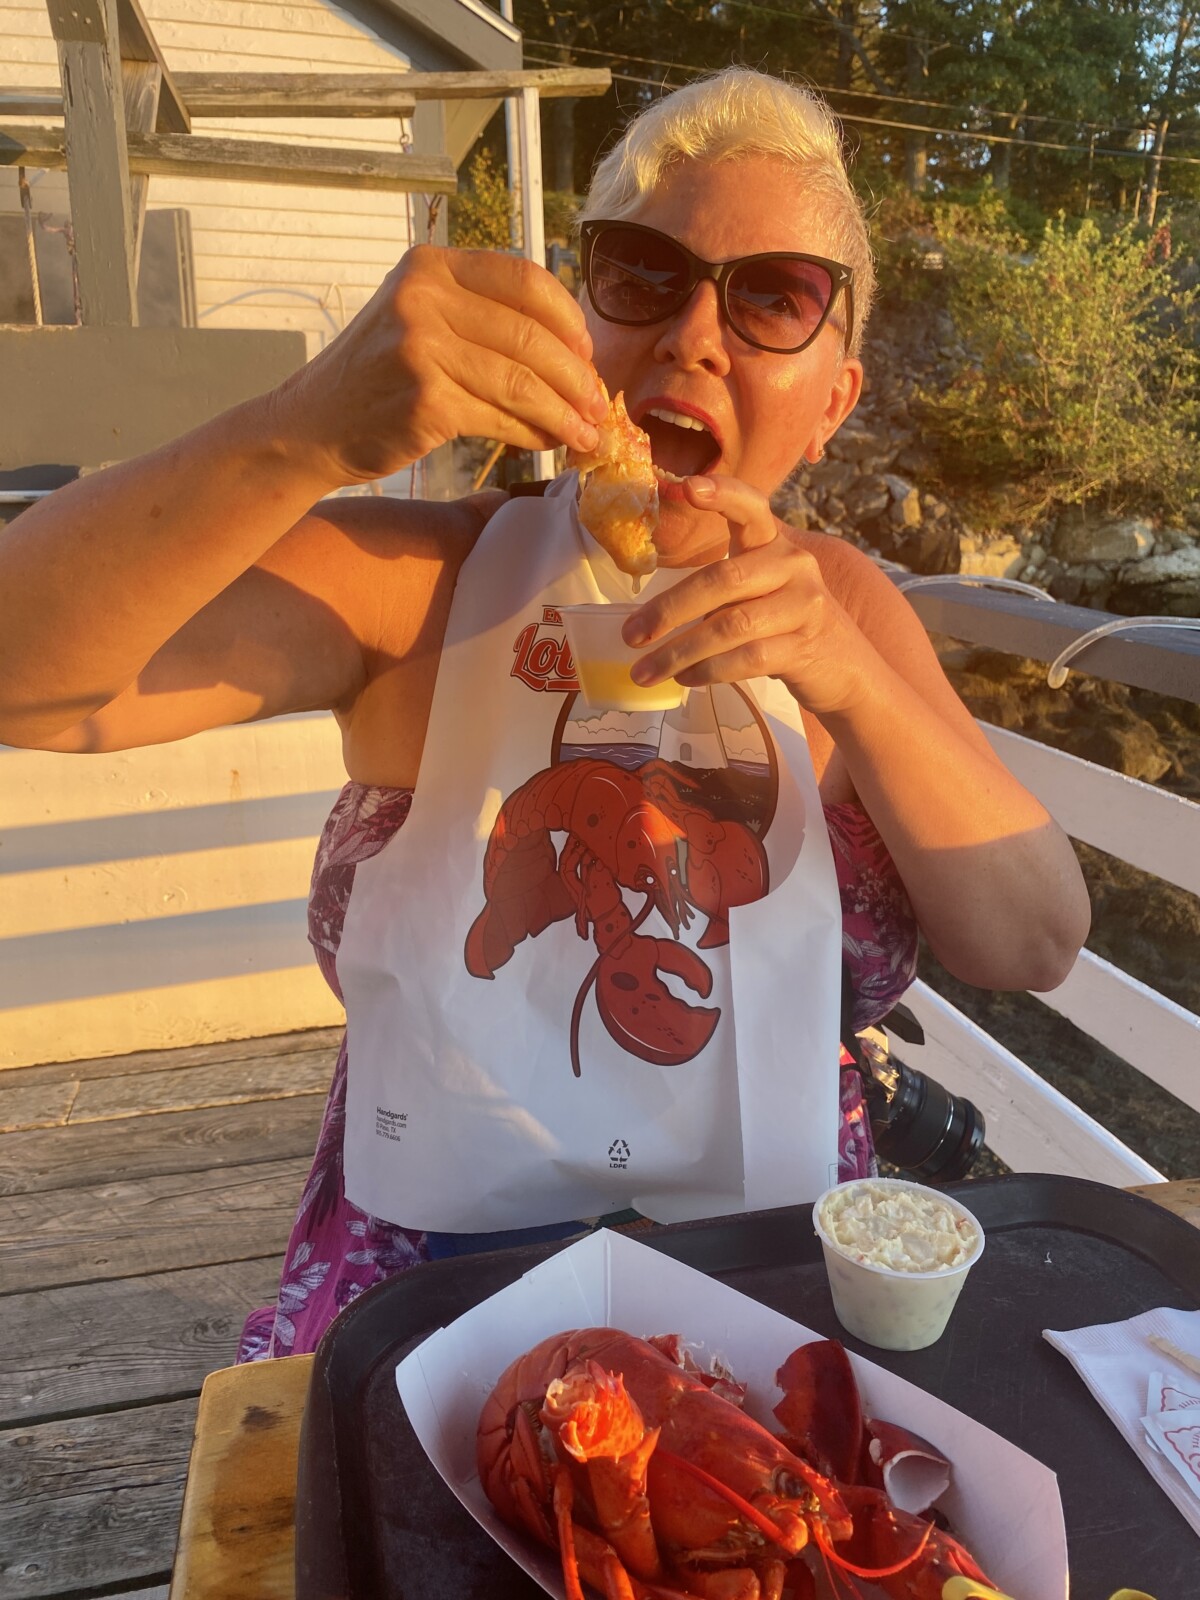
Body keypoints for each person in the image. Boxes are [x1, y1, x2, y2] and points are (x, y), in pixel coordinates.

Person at [0, 69, 1089, 1359]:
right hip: (435, 1295)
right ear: (580, 323)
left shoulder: (848, 605)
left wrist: (848, 674)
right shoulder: (423, 581)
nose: (694, 335)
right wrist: (309, 430)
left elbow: (1033, 940)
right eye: (642, 273)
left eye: (773, 297)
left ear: (833, 400)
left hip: (772, 1294)